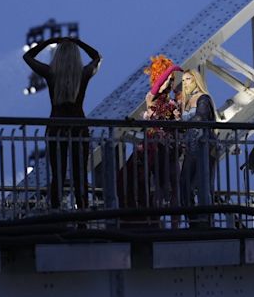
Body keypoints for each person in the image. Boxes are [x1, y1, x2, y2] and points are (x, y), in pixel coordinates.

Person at [23, 36, 101, 209]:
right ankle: (83, 217)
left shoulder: (51, 73)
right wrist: (79, 42)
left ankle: (57, 215)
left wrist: (49, 41)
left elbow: (27, 57)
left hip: (56, 128)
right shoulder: (84, 73)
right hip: (79, 128)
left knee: (57, 175)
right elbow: (97, 57)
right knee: (80, 175)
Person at [117, 55, 182, 227]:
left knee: (174, 185)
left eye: (171, 79)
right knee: (158, 185)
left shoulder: (173, 102)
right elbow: (158, 86)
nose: (170, 81)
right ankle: (155, 221)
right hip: (155, 147)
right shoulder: (151, 98)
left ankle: (175, 225)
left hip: (171, 147)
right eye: (167, 78)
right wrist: (170, 69)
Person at [179, 69, 217, 228]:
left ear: (196, 80)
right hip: (191, 148)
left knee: (202, 185)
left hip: (203, 148)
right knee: (184, 184)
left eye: (188, 79)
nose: (185, 83)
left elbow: (201, 116)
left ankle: (204, 221)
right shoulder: (186, 102)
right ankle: (194, 220)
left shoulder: (203, 99)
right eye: (183, 80)